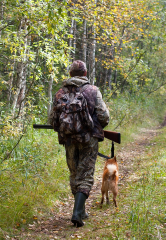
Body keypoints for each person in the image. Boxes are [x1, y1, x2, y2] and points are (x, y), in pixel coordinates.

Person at [49, 60, 110, 227]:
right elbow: (104, 117)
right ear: (85, 73)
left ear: (70, 74)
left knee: (74, 173)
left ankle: (80, 210)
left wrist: (66, 129)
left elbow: (52, 119)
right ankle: (77, 212)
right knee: (86, 174)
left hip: (68, 140)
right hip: (88, 140)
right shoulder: (92, 91)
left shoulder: (60, 92)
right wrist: (94, 128)